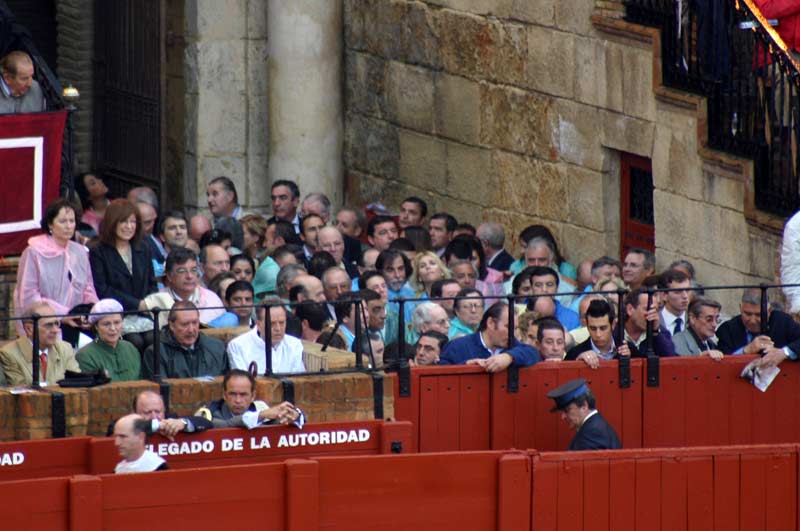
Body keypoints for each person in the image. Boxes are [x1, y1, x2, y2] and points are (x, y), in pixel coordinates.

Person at [14, 197, 98, 342]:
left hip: (77, 321)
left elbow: (88, 287)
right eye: (63, 221)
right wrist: (64, 315)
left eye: (72, 221)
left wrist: (91, 311)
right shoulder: (34, 251)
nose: (69, 226)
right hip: (46, 322)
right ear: (50, 224)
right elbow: (28, 295)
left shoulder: (80, 251)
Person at [89, 199, 157, 352]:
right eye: (123, 222)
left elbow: (151, 283)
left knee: (154, 338)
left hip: (144, 313)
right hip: (116, 315)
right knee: (134, 341)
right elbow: (103, 289)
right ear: (112, 223)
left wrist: (148, 303)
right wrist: (136, 304)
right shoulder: (98, 251)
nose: (129, 226)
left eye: (133, 222)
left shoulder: (143, 248)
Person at [438, 302, 541, 371]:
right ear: (491, 323)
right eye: (508, 327)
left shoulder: (512, 345)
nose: (513, 334)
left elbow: (533, 353)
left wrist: (509, 357)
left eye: (515, 328)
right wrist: (465, 366)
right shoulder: (457, 346)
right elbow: (439, 372)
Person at [142, 301, 229, 379]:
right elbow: (161, 391)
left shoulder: (216, 348)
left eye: (195, 323)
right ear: (172, 325)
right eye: (185, 324)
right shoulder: (156, 353)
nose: (191, 330)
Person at [0, 302, 80, 386]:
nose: (55, 330)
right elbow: (21, 391)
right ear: (29, 329)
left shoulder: (65, 349)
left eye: (56, 324)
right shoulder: (9, 353)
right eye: (49, 325)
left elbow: (77, 383)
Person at [716, 288, 800, 367]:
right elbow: (721, 363)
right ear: (740, 308)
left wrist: (784, 352)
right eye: (748, 314)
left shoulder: (782, 322)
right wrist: (745, 351)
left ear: (769, 311)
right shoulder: (728, 329)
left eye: (759, 315)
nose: (752, 320)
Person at [143, 247, 226, 326]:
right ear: (169, 276)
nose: (189, 276)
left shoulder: (212, 299)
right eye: (182, 271)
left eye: (193, 270)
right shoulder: (156, 300)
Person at [196, 369, 304, 429]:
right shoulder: (209, 412)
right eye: (233, 394)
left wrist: (292, 416)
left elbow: (278, 422)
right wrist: (260, 416)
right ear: (224, 395)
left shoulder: (260, 407)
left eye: (243, 395)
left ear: (253, 396)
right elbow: (227, 425)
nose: (238, 400)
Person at [227, 300, 306, 374]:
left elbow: (299, 379)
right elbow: (242, 384)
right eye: (271, 323)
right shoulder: (237, 346)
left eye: (282, 323)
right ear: (258, 324)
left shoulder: (294, 344)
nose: (278, 329)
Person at [546, 378, 622, 451]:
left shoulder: (592, 433)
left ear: (584, 406)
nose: (563, 417)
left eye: (567, 410)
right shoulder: (593, 426)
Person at [76, 299, 141, 381]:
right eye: (106, 324)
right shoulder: (85, 356)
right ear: (96, 326)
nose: (113, 328)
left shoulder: (131, 349)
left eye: (117, 322)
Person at [106, 390, 213, 438]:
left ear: (164, 410)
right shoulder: (125, 424)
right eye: (147, 412)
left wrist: (183, 423)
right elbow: (112, 430)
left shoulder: (172, 420)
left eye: (158, 411)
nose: (154, 417)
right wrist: (157, 426)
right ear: (134, 413)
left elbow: (206, 423)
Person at [565, 299, 634, 368]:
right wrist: (577, 362)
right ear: (587, 326)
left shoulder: (628, 349)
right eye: (593, 328)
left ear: (613, 325)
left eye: (603, 328)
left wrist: (631, 359)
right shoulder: (575, 353)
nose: (598, 334)